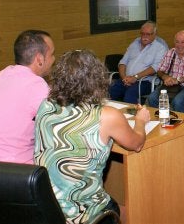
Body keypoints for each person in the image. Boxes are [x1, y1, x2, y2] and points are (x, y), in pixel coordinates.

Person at [35, 49, 150, 224]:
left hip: (47, 206)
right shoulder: (106, 115)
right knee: (130, 210)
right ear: (97, 78)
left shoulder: (46, 106)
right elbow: (137, 144)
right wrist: (140, 120)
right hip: (85, 214)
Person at [0, 30, 55, 164]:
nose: (54, 59)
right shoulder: (35, 84)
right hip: (9, 174)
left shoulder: (3, 75)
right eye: (52, 54)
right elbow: (64, 124)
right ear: (39, 59)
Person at [108, 21, 167, 103]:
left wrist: (135, 77)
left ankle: (133, 115)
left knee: (130, 94)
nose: (144, 36)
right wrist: (124, 77)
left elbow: (154, 68)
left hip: (145, 82)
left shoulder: (160, 48)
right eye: (142, 34)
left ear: (154, 34)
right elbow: (123, 62)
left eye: (148, 34)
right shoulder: (134, 43)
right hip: (126, 79)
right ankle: (111, 114)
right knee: (109, 91)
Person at [147, 30, 184, 113]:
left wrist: (178, 80)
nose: (179, 45)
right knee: (152, 98)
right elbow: (160, 70)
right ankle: (163, 118)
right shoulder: (170, 52)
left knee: (177, 102)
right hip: (171, 85)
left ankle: (182, 124)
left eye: (183, 42)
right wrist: (165, 77)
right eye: (177, 42)